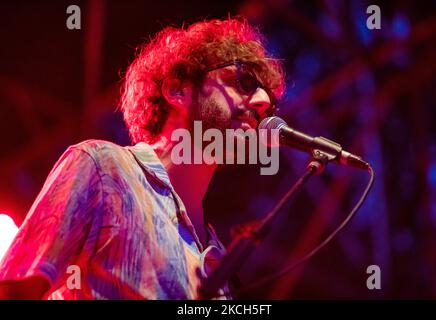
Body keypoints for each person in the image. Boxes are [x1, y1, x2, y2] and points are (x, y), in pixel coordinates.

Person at [0, 17, 284, 299]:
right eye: (243, 81)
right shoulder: (103, 168)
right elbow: (15, 292)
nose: (262, 102)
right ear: (178, 90)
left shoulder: (221, 264)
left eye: (269, 99)